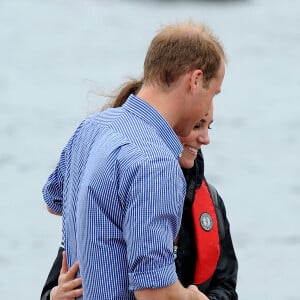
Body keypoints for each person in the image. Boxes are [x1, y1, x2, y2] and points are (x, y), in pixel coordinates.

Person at [42, 21, 226, 300]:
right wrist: (191, 297)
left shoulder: (91, 128)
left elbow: (54, 201)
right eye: (213, 93)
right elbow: (155, 293)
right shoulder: (156, 163)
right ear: (196, 80)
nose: (209, 105)